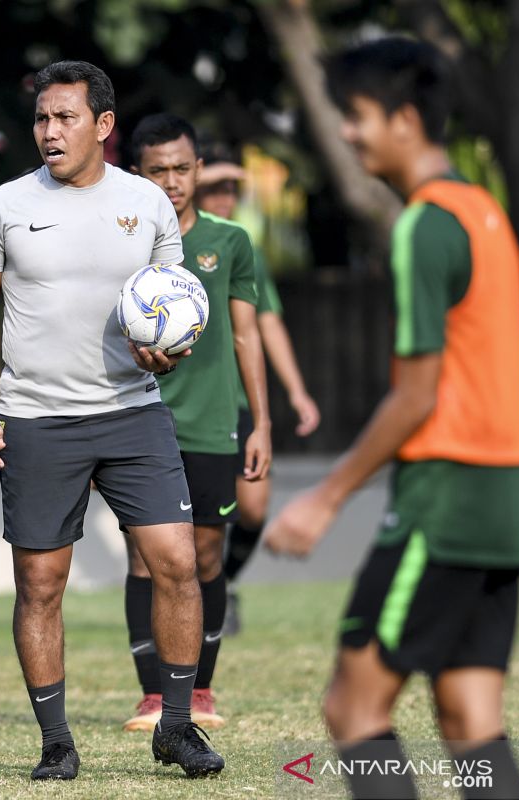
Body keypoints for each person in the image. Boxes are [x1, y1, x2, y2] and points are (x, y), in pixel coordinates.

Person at [265, 38, 519, 800]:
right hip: (504, 501)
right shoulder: (484, 212)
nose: (347, 134)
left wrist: (326, 496)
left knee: (353, 709)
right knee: (468, 717)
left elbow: (416, 395)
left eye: (357, 117)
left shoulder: (423, 225)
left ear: (406, 120)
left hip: (444, 502)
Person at [0, 61, 224, 780]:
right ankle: (56, 743)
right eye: (42, 118)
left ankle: (175, 726)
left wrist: (168, 357)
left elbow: (177, 308)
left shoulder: (147, 203)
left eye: (65, 117)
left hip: (134, 414)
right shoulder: (3, 208)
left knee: (179, 563)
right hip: (38, 421)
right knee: (41, 585)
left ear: (103, 126)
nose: (49, 131)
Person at [119, 114, 272, 734]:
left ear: (199, 169)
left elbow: (246, 334)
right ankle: (153, 695)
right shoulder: (123, 243)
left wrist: (260, 422)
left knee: (206, 554)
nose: (173, 181)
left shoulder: (230, 241)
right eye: (159, 170)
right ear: (138, 175)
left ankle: (200, 689)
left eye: (183, 168)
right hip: (139, 421)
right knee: (145, 556)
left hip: (213, 425)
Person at [195, 148, 321, 636]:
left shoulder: (241, 244)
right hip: (189, 405)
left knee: (253, 508)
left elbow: (267, 323)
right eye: (218, 187)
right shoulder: (168, 238)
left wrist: (297, 392)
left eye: (233, 189)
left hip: (240, 402)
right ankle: (198, 601)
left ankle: (221, 587)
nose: (227, 197)